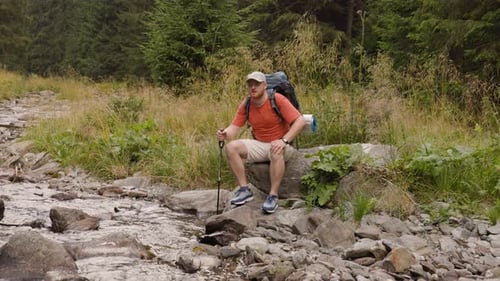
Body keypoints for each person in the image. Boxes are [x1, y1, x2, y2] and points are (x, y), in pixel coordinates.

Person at [216, 71, 306, 214]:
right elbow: (234, 128)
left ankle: (273, 196)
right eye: (250, 84)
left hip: (282, 144)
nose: (253, 87)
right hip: (261, 144)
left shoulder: (277, 99)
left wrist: (284, 140)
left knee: (275, 150)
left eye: (256, 84)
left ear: (264, 85)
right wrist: (224, 134)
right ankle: (244, 189)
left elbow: (300, 121)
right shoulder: (246, 104)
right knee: (231, 148)